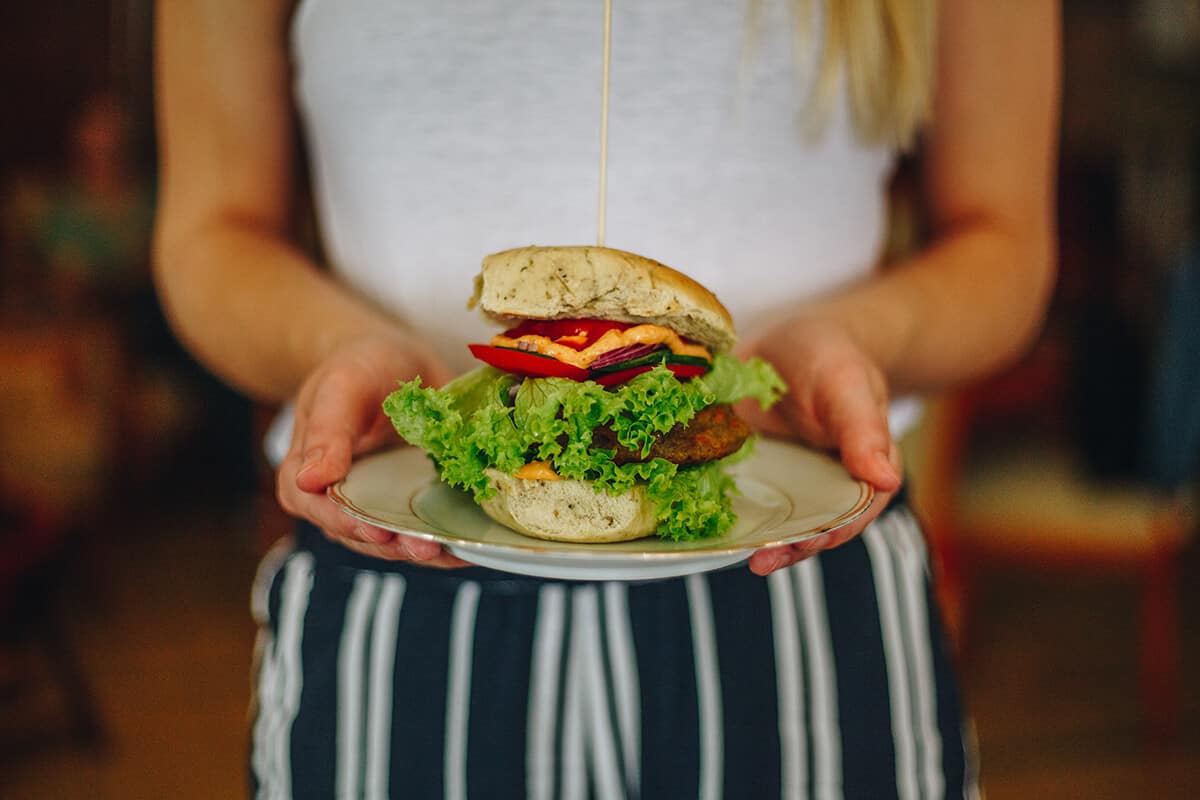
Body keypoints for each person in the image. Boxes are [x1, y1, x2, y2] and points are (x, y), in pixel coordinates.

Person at [154, 1, 1057, 797]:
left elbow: (1005, 239)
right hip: (403, 552)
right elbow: (211, 228)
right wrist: (338, 351)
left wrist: (858, 345)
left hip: (799, 565)